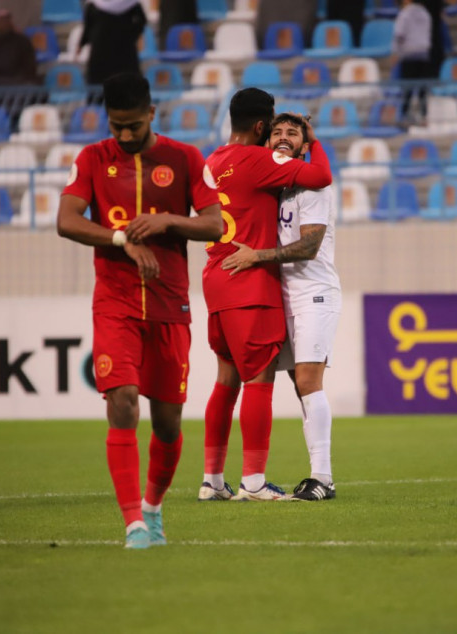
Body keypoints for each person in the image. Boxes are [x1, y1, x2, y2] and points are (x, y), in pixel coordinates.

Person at [56, 72, 223, 549]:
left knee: (168, 424)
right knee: (122, 398)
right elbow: (66, 220)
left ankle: (152, 510)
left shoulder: (186, 158)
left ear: (152, 113)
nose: (124, 136)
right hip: (116, 303)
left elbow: (215, 224)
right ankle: (132, 523)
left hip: (171, 305)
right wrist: (119, 239)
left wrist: (168, 220)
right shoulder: (92, 158)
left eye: (133, 125)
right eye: (116, 127)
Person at [198, 88, 333, 502]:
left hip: (215, 278)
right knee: (259, 380)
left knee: (226, 381)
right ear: (261, 127)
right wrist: (314, 138)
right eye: (273, 128)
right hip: (250, 278)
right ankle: (253, 482)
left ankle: (212, 481)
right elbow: (321, 176)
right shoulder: (261, 160)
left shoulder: (211, 161)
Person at [80, 0, 147, 86]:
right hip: (124, 53)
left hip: (103, 54)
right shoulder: (132, 5)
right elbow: (141, 24)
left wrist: (81, 44)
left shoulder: (93, 5)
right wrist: (132, 35)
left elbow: (88, 30)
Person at [393, 0, 433, 122]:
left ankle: (404, 115)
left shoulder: (405, 14)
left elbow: (399, 35)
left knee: (407, 88)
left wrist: (396, 53)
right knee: (423, 88)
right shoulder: (425, 14)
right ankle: (424, 115)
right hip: (424, 55)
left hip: (409, 55)